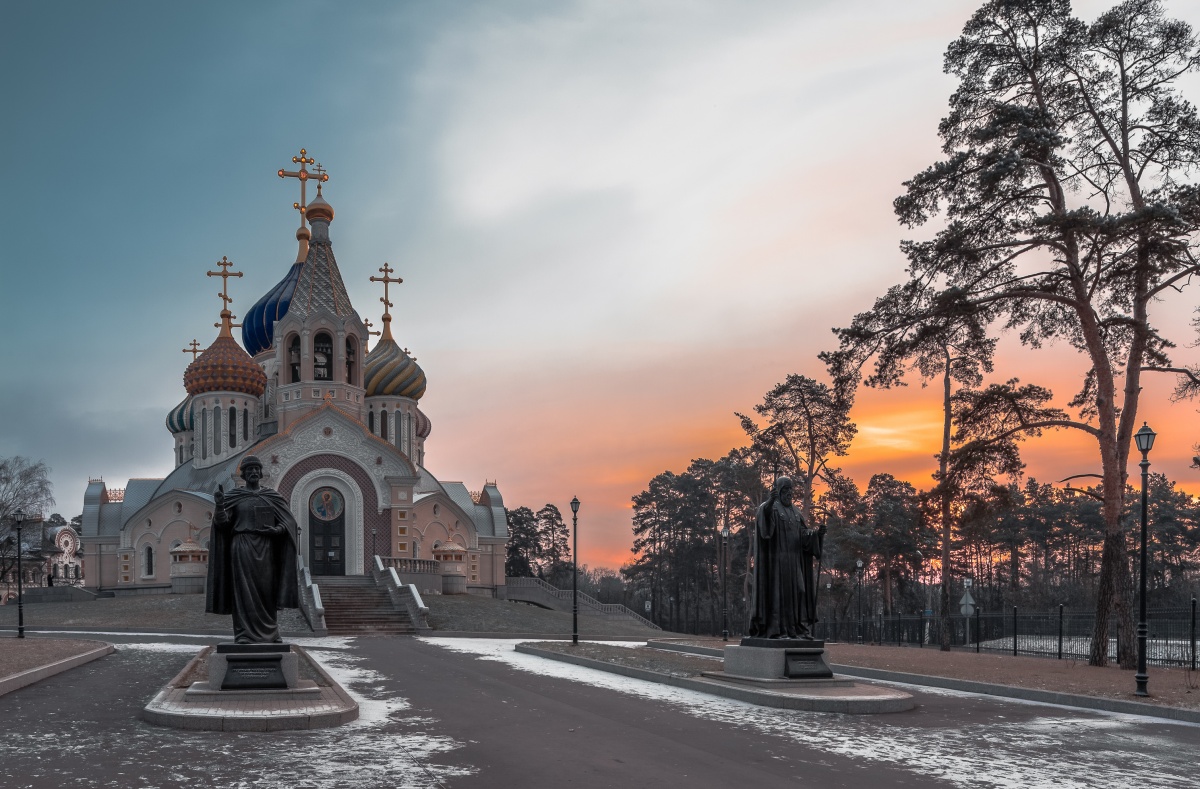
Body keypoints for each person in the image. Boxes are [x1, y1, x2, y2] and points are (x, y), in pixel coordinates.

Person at [205, 454, 299, 643]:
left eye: (256, 469)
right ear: (244, 474)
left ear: (261, 473)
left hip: (267, 548)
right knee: (243, 592)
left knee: (267, 591)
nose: (254, 472)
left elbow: (288, 523)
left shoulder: (272, 497)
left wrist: (277, 530)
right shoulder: (234, 496)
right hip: (242, 547)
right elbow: (223, 525)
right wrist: (220, 505)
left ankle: (271, 633)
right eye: (250, 470)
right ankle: (244, 634)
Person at [747, 476, 825, 639]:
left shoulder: (796, 512)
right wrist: (770, 501)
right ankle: (778, 630)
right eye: (786, 489)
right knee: (779, 596)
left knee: (800, 590)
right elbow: (765, 528)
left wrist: (816, 535)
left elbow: (803, 535)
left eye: (791, 490)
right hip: (777, 563)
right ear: (779, 490)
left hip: (794, 561)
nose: (789, 493)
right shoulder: (770, 508)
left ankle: (798, 628)